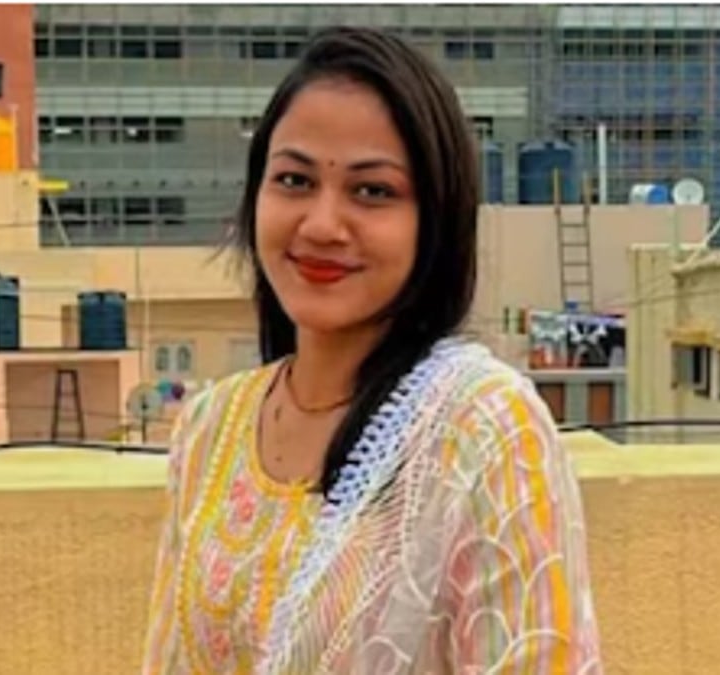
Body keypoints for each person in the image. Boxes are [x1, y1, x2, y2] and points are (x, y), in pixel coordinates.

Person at [141, 26, 603, 674]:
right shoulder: (209, 428)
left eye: (373, 191)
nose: (322, 224)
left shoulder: (481, 429)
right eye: (294, 180)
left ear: (434, 221)